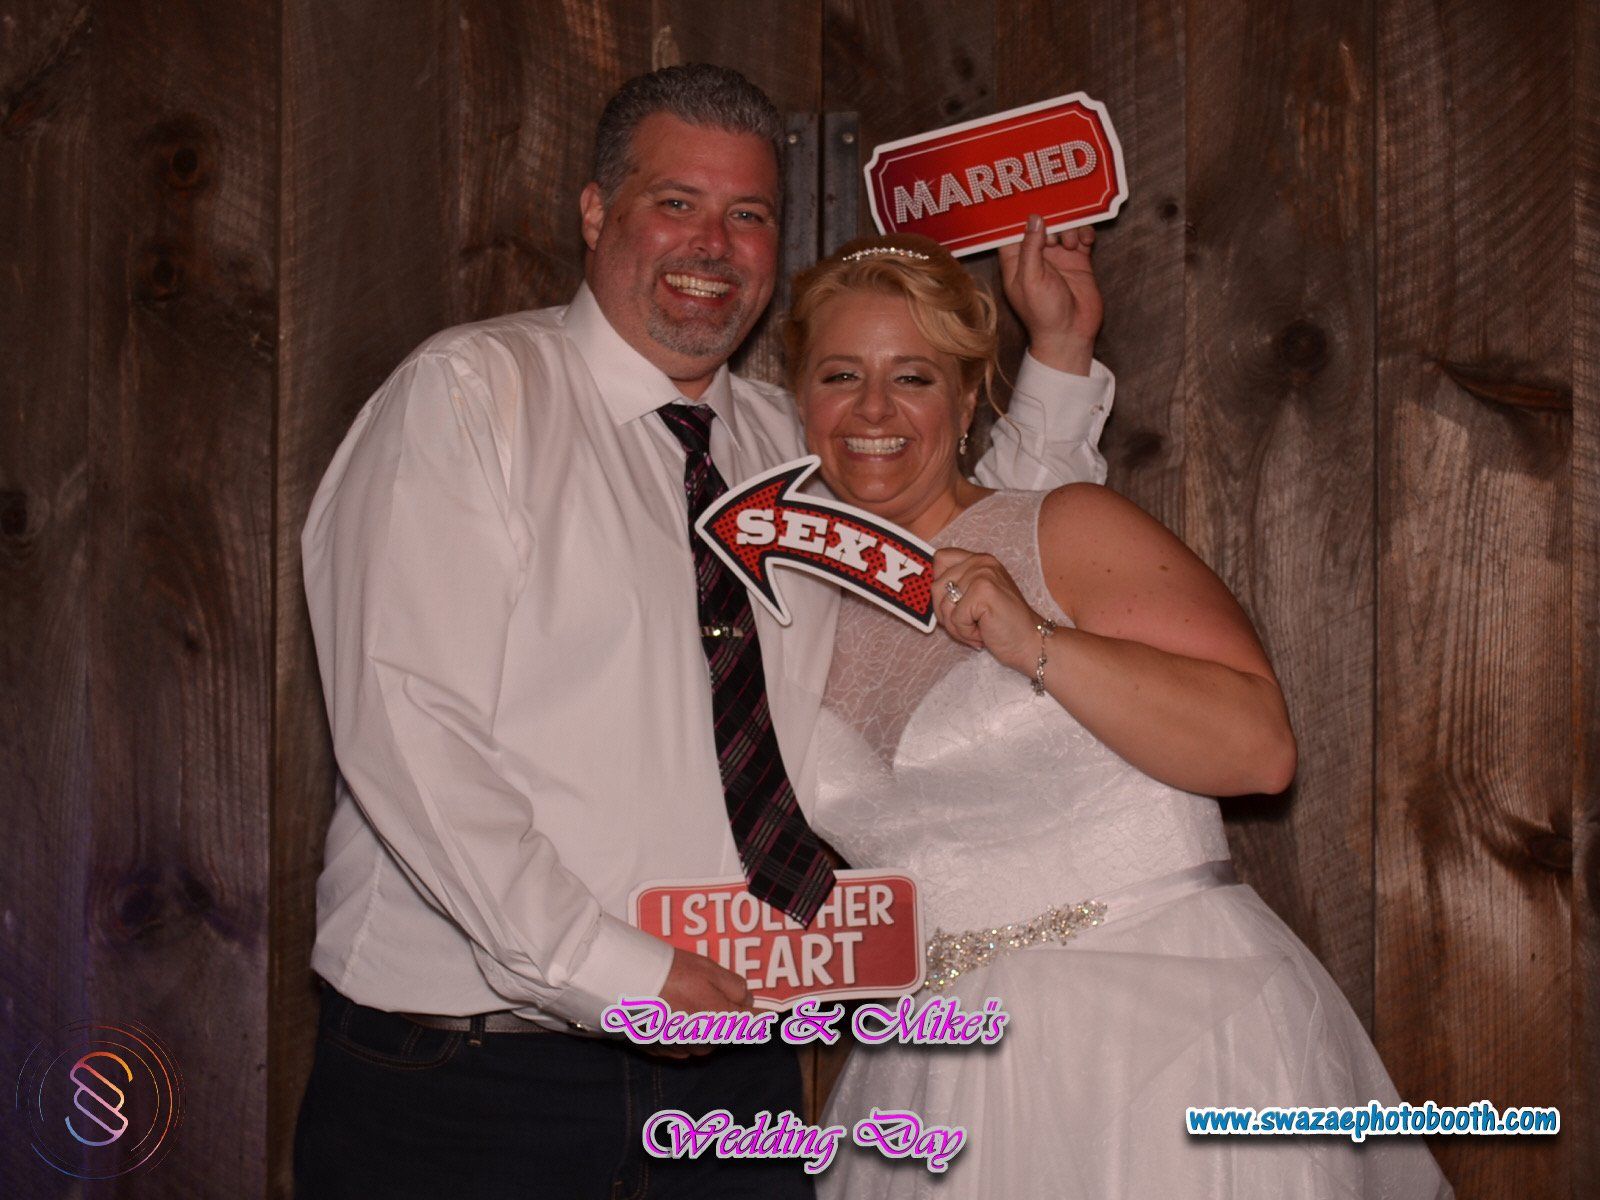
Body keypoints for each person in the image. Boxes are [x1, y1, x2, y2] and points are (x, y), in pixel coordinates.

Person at [292, 65, 1114, 1198]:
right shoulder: (471, 399)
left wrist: (1058, 363)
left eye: (749, 214)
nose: (713, 244)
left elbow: (968, 569)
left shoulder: (787, 445)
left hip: (737, 1061)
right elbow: (407, 731)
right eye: (675, 203)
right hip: (476, 1075)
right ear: (594, 212)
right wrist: (610, 971)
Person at [787, 233, 1453, 1199]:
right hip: (940, 1077)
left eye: (915, 376)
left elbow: (1260, 750)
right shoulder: (793, 615)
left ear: (968, 398)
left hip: (1164, 1035)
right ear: (798, 401)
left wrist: (1034, 645)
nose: (875, 410)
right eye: (841, 374)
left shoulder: (1061, 527)